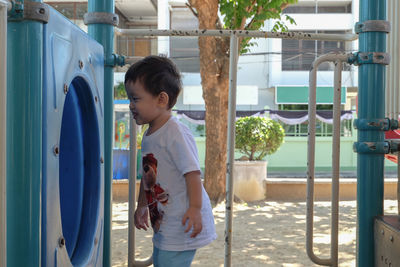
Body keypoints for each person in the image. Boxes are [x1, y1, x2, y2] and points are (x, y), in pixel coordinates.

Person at [125, 55, 217, 267]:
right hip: (166, 222)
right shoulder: (149, 135)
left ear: (161, 99)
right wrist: (142, 206)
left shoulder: (175, 132)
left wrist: (194, 208)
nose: (130, 105)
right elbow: (147, 177)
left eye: (136, 99)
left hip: (183, 222)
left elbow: (192, 173)